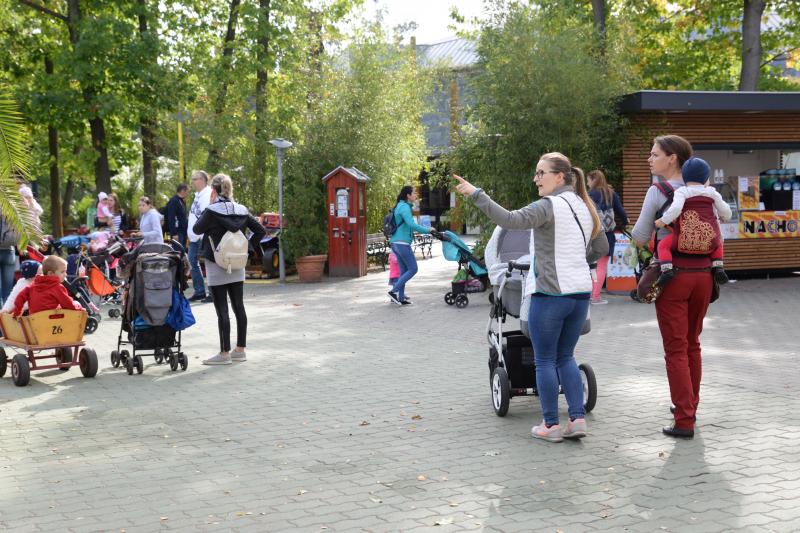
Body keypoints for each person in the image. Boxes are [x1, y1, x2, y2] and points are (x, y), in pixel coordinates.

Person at [454, 152, 608, 443]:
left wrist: (476, 194)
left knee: (545, 360)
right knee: (566, 357)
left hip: (549, 294)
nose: (536, 179)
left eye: (541, 173)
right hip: (579, 295)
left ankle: (550, 424)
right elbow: (600, 245)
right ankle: (576, 419)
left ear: (559, 176)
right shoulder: (583, 205)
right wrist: (575, 260)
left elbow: (510, 221)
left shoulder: (548, 206)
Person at [631, 134, 713, 439]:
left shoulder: (658, 191)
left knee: (675, 349)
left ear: (672, 159)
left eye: (654, 155)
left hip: (671, 276)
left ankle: (684, 420)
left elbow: (640, 236)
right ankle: (690, 405)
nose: (649, 160)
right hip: (704, 275)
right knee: (693, 344)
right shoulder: (705, 192)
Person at [192, 173, 265, 365]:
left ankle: (224, 354)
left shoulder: (211, 210)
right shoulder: (241, 210)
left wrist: (210, 204)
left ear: (214, 190)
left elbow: (197, 229)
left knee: (222, 309)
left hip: (216, 263)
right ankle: (240, 350)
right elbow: (260, 230)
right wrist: (247, 247)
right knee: (239, 306)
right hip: (237, 262)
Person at [654, 157, 731, 287]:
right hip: (708, 238)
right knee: (718, 242)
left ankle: (666, 270)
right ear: (707, 179)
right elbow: (726, 212)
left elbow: (676, 209)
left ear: (684, 178)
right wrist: (725, 216)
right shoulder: (712, 193)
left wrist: (662, 221)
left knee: (663, 245)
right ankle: (718, 267)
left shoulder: (682, 191)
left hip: (684, 238)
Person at [388, 186, 435, 305]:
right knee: (413, 268)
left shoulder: (401, 205)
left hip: (396, 242)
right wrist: (428, 230)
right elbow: (411, 224)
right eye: (414, 193)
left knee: (404, 271)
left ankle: (401, 298)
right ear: (408, 195)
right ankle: (393, 291)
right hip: (402, 243)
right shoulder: (404, 207)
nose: (416, 195)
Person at [587, 169, 628, 304]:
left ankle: (586, 295)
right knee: (602, 266)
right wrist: (626, 222)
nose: (587, 183)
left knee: (589, 264)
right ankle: (596, 296)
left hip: (591, 233)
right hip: (608, 234)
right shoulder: (611, 193)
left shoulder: (589, 194)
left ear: (593, 179)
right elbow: (621, 211)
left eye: (588, 180)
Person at [13, 256, 82, 316]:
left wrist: (17, 312)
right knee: (75, 303)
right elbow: (68, 304)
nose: (66, 274)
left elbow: (19, 298)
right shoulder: (57, 287)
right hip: (53, 320)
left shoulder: (33, 285)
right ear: (51, 273)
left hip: (35, 319)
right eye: (62, 272)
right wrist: (79, 307)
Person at [187, 170, 212, 302]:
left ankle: (213, 293)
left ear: (203, 180)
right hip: (194, 237)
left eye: (195, 179)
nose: (193, 182)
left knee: (209, 263)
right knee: (192, 262)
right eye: (192, 179)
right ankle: (200, 291)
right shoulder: (197, 195)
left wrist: (199, 234)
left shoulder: (207, 195)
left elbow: (205, 216)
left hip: (202, 236)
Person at [166, 183, 189, 249]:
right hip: (177, 233)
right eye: (187, 191)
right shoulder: (173, 201)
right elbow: (171, 218)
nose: (188, 194)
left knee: (182, 252)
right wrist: (174, 233)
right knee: (177, 253)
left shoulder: (182, 201)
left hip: (183, 231)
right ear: (182, 191)